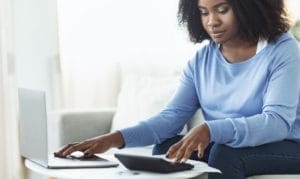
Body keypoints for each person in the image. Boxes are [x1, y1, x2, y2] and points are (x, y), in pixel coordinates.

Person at [55, 0, 300, 178]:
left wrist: (211, 129)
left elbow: (276, 123)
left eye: (222, 10)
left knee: (226, 154)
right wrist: (112, 139)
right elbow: (170, 119)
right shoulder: (202, 60)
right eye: (203, 12)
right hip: (231, 143)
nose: (211, 22)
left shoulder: (283, 51)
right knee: (166, 149)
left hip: (288, 144)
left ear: (248, 7)